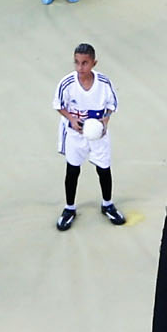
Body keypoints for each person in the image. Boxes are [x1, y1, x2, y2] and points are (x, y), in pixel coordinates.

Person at [54, 44, 123, 229]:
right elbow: (59, 105)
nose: (80, 68)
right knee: (73, 170)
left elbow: (112, 105)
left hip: (98, 135)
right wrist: (71, 119)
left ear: (94, 63)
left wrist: (105, 122)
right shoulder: (67, 83)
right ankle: (69, 208)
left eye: (84, 63)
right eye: (77, 62)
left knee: (104, 169)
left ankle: (107, 204)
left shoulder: (104, 83)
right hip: (75, 135)